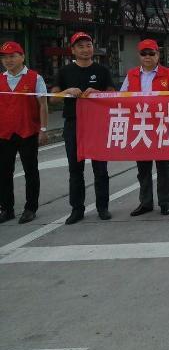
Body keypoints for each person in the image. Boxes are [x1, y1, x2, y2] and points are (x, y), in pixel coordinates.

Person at [52, 32, 116, 224]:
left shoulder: (102, 70)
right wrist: (66, 92)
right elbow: (53, 98)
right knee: (75, 169)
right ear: (73, 50)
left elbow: (113, 94)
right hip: (73, 124)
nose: (85, 49)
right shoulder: (65, 72)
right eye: (80, 46)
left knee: (101, 169)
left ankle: (103, 207)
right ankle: (77, 209)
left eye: (88, 45)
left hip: (97, 124)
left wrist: (98, 93)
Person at [120, 39, 169, 216]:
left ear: (158, 55)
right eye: (143, 53)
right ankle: (145, 202)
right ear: (139, 56)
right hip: (140, 127)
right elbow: (121, 97)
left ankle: (165, 202)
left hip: (161, 126)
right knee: (143, 169)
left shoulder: (168, 74)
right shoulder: (131, 75)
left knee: (163, 168)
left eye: (151, 53)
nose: (147, 57)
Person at [0, 41, 47, 224]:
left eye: (12, 56)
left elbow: (43, 105)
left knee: (30, 171)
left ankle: (30, 208)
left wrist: (43, 129)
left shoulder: (35, 78)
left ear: (22, 57)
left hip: (28, 131)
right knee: (4, 172)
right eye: (4, 57)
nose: (8, 60)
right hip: (4, 133)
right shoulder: (1, 79)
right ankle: (6, 208)